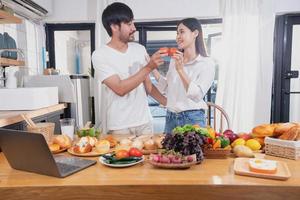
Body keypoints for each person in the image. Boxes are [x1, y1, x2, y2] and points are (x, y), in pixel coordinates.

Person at [92, 2, 167, 136]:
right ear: (114, 27)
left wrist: (168, 103)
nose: (134, 28)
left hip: (144, 122)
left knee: (149, 157)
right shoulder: (100, 55)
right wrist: (149, 67)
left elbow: (148, 87)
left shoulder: (139, 49)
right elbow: (120, 89)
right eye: (129, 24)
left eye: (133, 23)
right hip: (120, 126)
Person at [154, 18, 215, 133]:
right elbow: (167, 87)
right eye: (177, 33)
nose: (178, 36)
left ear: (195, 33)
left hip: (192, 118)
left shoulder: (206, 63)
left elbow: (196, 95)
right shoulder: (175, 60)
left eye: (182, 32)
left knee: (193, 152)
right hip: (171, 117)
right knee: (169, 151)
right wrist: (152, 68)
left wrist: (181, 70)